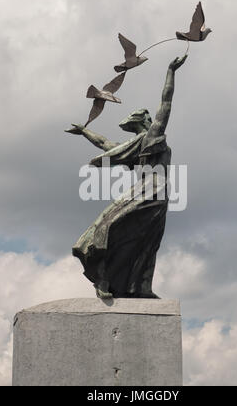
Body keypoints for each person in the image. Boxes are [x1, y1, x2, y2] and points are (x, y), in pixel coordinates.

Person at [67, 56, 188, 299]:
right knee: (111, 226)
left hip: (155, 194)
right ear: (147, 122)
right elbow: (165, 103)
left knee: (146, 241)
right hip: (149, 192)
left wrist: (170, 72)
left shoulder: (151, 138)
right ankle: (103, 277)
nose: (156, 121)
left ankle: (139, 288)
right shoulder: (143, 141)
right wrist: (170, 71)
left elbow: (165, 104)